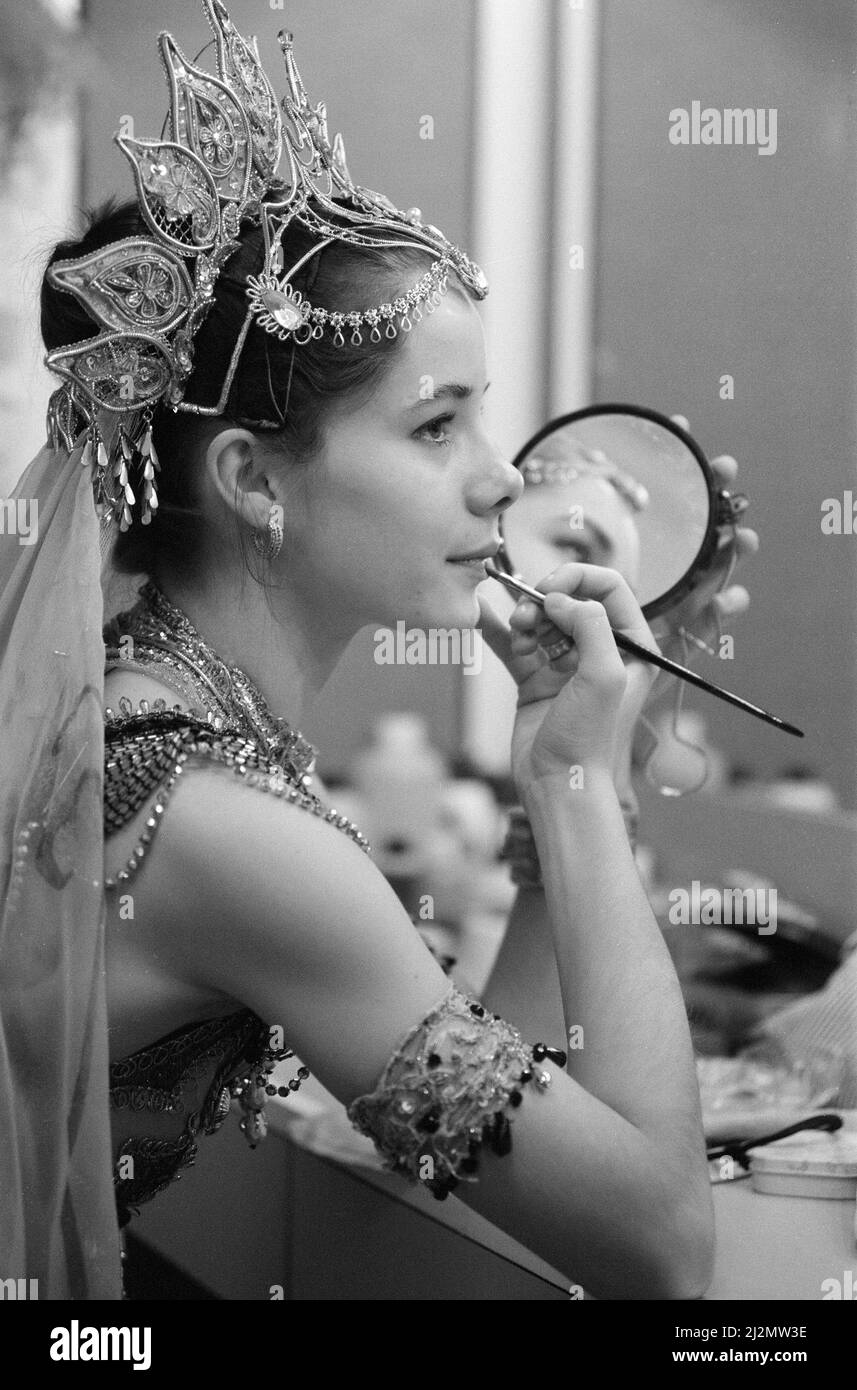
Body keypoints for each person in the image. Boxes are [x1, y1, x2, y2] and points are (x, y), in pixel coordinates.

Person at [0, 0, 746, 1301]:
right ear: (252, 478)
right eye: (437, 427)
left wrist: (556, 770)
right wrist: (582, 787)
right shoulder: (218, 825)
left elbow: (477, 1097)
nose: (499, 482)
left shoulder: (166, 717)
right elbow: (660, 1248)